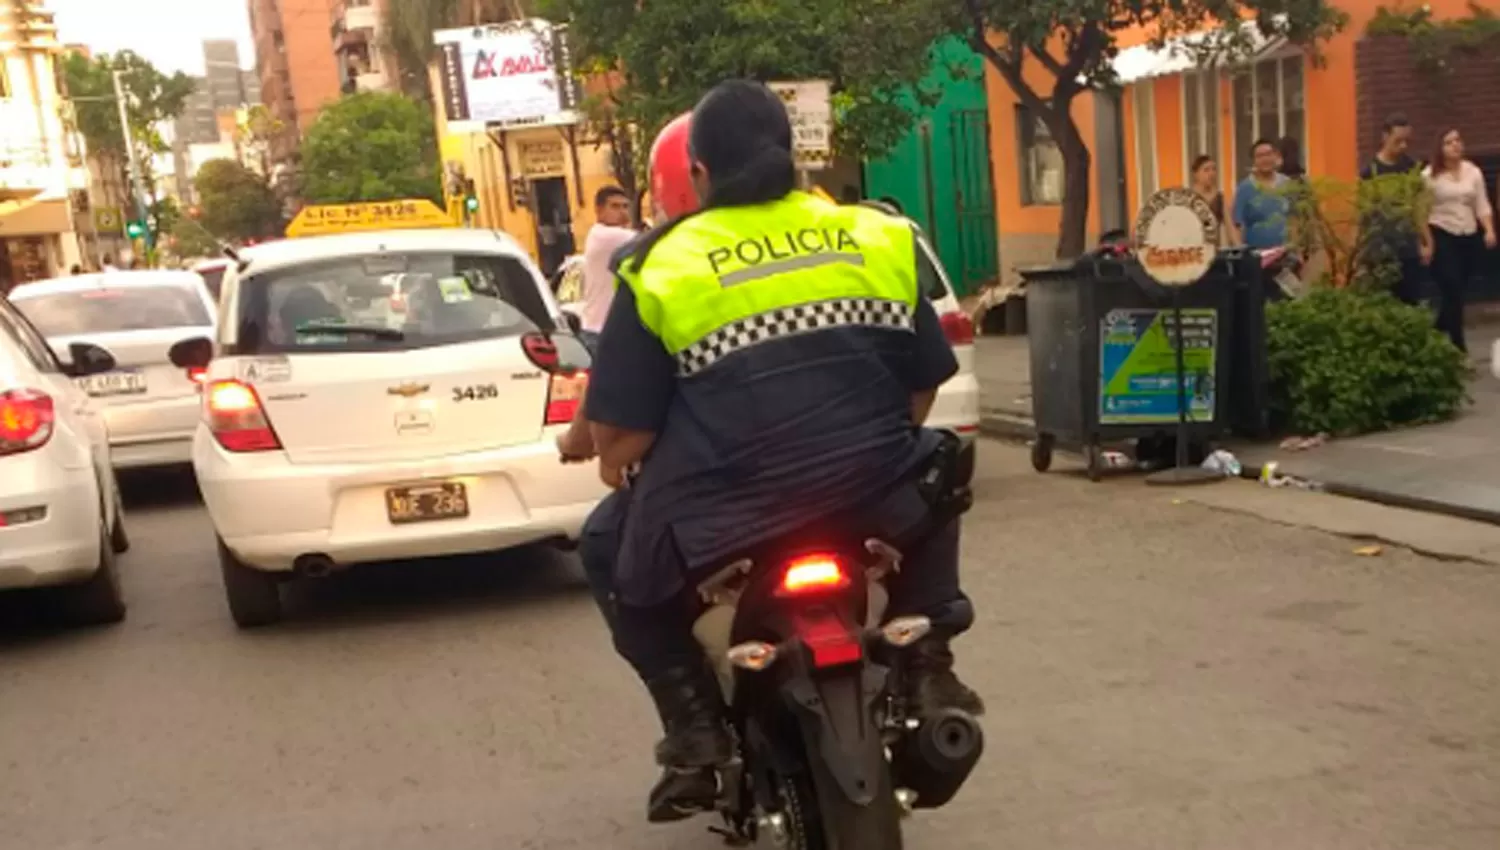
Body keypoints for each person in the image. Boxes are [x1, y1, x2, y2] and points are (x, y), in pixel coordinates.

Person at [560, 82, 980, 822]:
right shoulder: (873, 235)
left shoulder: (660, 265)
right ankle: (927, 662)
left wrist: (609, 463)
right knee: (937, 458)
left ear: (698, 175)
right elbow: (918, 390)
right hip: (872, 497)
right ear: (791, 156)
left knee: (603, 544)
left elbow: (623, 442)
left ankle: (693, 733)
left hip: (724, 520)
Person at [1423, 127, 1496, 353]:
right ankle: (1458, 345)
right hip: (1442, 232)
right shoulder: (1429, 177)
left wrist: (1489, 230)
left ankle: (1435, 331)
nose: (1455, 145)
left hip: (1468, 233)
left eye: (1457, 140)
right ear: (1440, 149)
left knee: (1457, 292)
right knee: (1452, 287)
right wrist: (1426, 242)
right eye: (1449, 142)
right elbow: (1421, 212)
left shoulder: (1472, 172)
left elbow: (1481, 204)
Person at [1361, 114, 1433, 305]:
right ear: (1384, 137)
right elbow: (1365, 212)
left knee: (1411, 298)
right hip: (1380, 247)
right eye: (1398, 141)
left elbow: (1418, 206)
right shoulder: (1370, 171)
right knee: (1384, 300)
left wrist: (1426, 240)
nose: (1403, 146)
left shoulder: (1410, 167)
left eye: (1406, 141)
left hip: (1408, 245)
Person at [578, 186, 637, 348]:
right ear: (598, 210)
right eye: (615, 206)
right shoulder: (604, 235)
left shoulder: (612, 237)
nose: (622, 212)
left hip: (605, 329)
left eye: (625, 207)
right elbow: (650, 239)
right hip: (601, 331)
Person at [1232, 138, 1292, 250]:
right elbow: (1237, 225)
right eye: (1260, 156)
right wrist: (1240, 251)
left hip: (1285, 254)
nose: (1265, 159)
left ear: (1275, 156)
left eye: (1268, 154)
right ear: (1254, 160)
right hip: (1256, 256)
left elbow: (1296, 219)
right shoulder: (1245, 188)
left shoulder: (1287, 184)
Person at [1189, 155, 1234, 247]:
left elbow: (1230, 227)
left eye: (1214, 169)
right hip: (1193, 249)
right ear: (1196, 174)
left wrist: (1239, 247)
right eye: (1206, 170)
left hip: (1214, 248)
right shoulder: (1188, 197)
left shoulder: (1219, 197)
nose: (1211, 173)